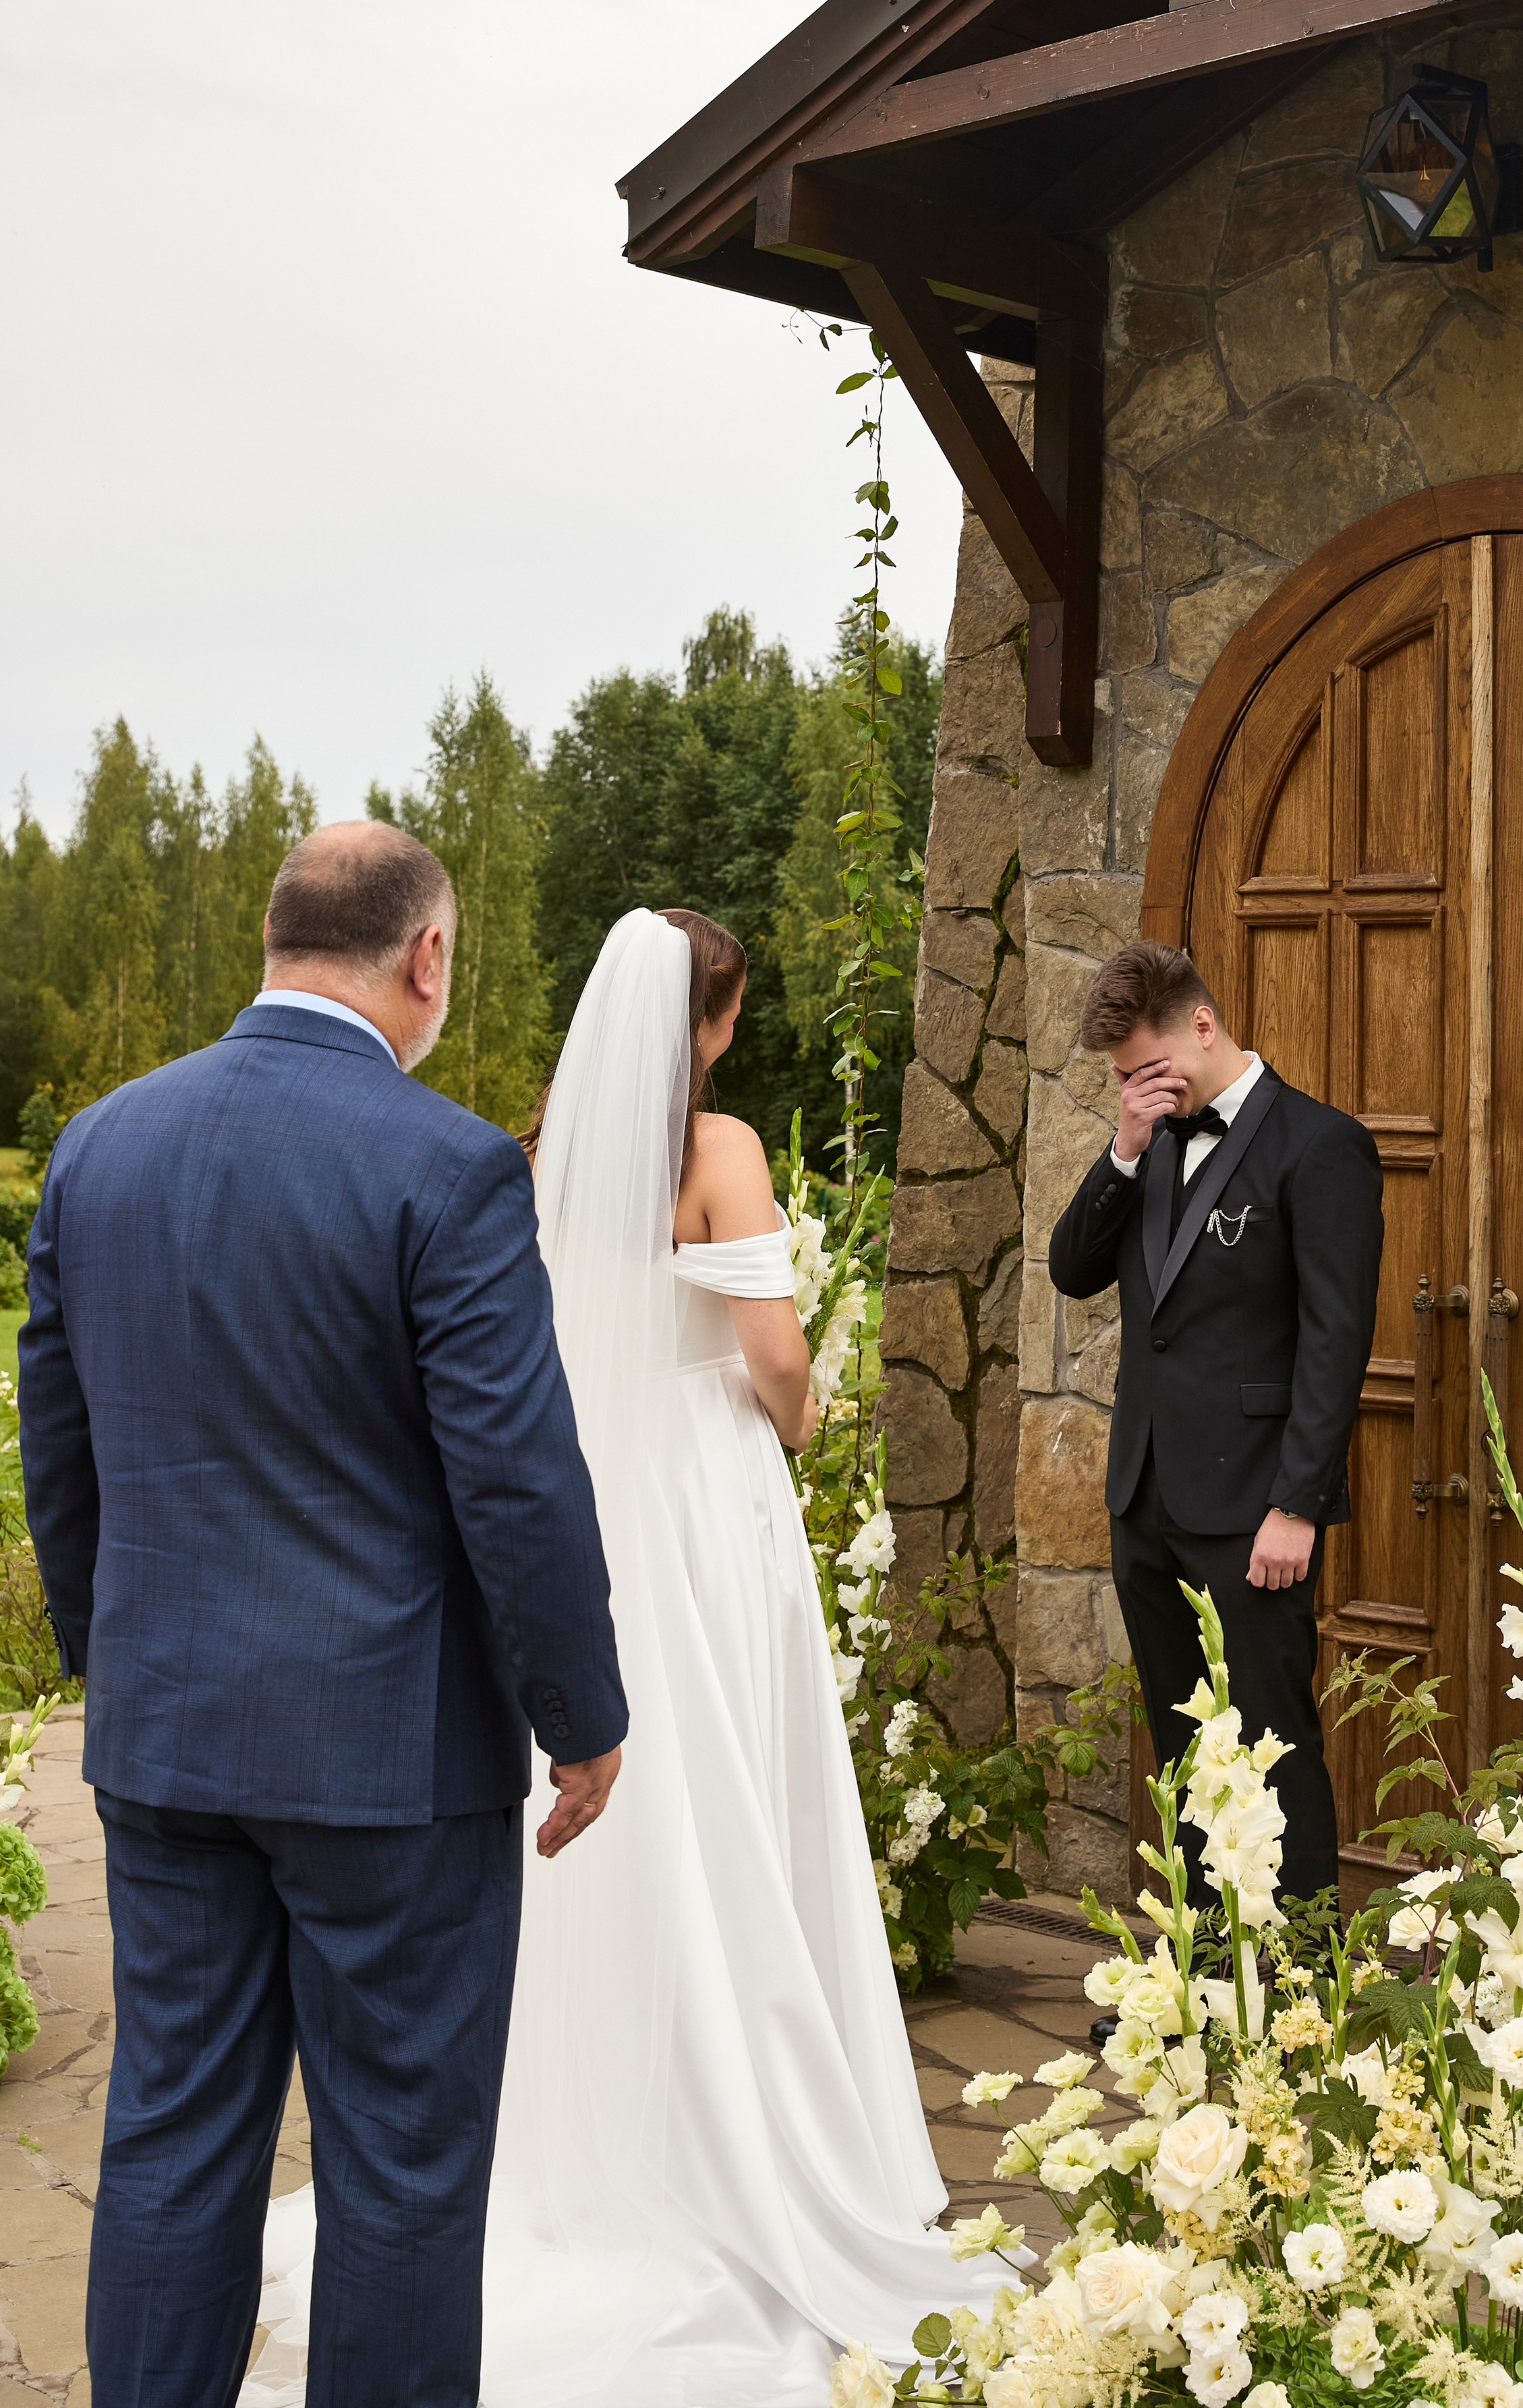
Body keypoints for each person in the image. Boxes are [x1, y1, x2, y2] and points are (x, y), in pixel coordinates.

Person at [250, 905, 1018, 2407]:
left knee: (611, 1801)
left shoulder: (528, 1157)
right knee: (729, 1775)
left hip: (580, 1489)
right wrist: (790, 1432)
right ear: (709, 1025)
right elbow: (777, 1357)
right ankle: (752, 2134)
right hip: (696, 1494)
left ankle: (567, 2137)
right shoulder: (716, 1149)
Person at [18, 820, 628, 2408]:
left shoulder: (99, 1145)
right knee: (404, 2169)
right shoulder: (443, 1166)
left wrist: (119, 1668)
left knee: (169, 2132)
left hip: (165, 1747)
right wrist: (583, 1715)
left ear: (278, 934)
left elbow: (59, 1454)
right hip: (388, 1764)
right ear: (422, 958)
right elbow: (519, 1482)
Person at [1047, 939, 1383, 1908]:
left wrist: (1299, 1505)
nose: (1140, 1090)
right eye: (1122, 1080)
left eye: (1149, 1072)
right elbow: (1074, 1269)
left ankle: (1303, 1998)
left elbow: (1335, 1342)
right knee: (1184, 1744)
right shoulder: (1150, 1135)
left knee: (1273, 1747)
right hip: (1145, 1497)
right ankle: (1198, 1987)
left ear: (1204, 1027)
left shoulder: (1321, 1147)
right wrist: (1122, 1146)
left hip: (1253, 1511)